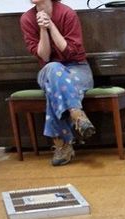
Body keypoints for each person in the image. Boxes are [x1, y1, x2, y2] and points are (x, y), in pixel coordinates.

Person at [20, 0, 95, 166]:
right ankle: (76, 114)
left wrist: (51, 25)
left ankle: (62, 145)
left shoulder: (67, 13)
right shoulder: (26, 19)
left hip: (77, 69)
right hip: (48, 71)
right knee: (54, 68)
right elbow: (45, 57)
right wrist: (42, 29)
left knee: (54, 90)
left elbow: (69, 52)